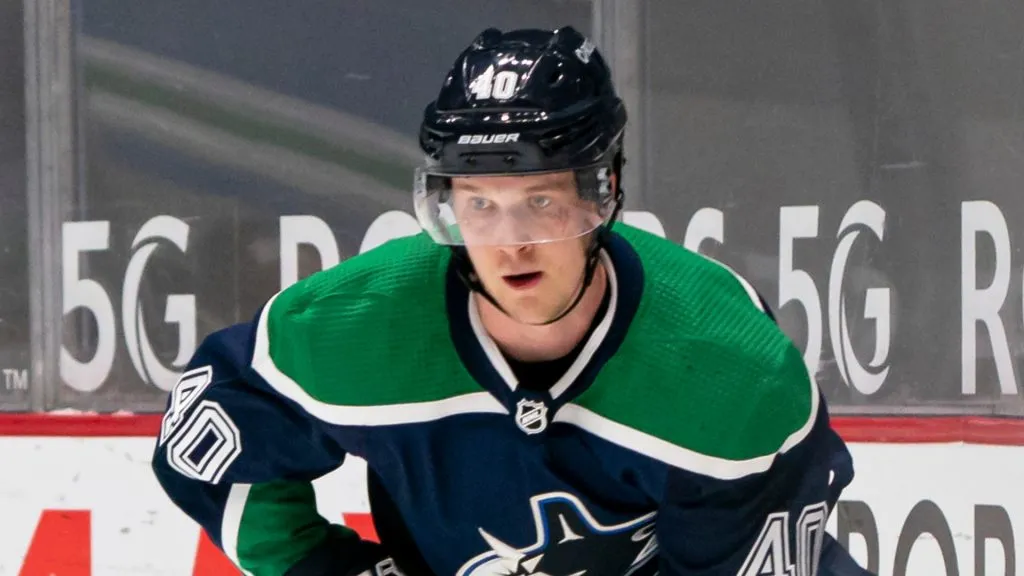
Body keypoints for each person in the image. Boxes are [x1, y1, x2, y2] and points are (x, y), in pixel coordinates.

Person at [152, 25, 872, 576]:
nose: (509, 243)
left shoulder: (729, 371)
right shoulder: (354, 323)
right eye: (479, 205)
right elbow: (205, 444)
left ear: (604, 192)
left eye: (539, 201)